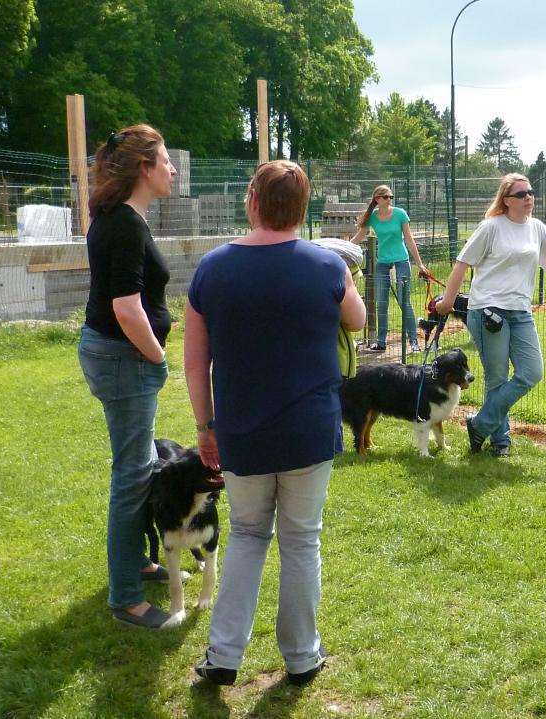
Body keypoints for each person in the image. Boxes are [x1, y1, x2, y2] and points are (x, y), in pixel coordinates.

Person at [185, 160, 366, 687]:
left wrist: (204, 426)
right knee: (301, 540)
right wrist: (343, 275)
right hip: (308, 430)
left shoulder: (212, 269)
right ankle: (302, 656)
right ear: (303, 208)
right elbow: (356, 320)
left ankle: (223, 655)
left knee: (245, 535)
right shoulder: (328, 266)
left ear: (252, 202)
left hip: (240, 429)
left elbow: (197, 363)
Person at [434, 173, 546, 458]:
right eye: (521, 194)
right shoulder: (491, 227)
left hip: (521, 312)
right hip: (488, 311)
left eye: (530, 192)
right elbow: (462, 263)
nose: (528, 198)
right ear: (507, 200)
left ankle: (480, 424)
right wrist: (447, 302)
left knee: (532, 372)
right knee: (497, 378)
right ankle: (501, 441)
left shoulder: (537, 229)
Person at [77, 124, 181, 629]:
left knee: (137, 464)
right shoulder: (124, 223)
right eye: (165, 161)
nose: (173, 169)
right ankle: (126, 597)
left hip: (117, 356)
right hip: (125, 359)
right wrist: (158, 356)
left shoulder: (120, 218)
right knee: (132, 476)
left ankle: (137, 562)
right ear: (144, 168)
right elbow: (126, 308)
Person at [350, 185, 429, 352]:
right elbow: (359, 237)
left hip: (401, 261)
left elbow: (409, 240)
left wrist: (420, 263)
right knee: (382, 304)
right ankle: (380, 342)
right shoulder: (372, 216)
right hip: (383, 263)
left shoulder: (400, 214)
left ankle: (414, 342)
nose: (389, 199)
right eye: (385, 197)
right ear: (377, 199)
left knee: (404, 301)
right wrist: (343, 249)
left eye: (390, 197)